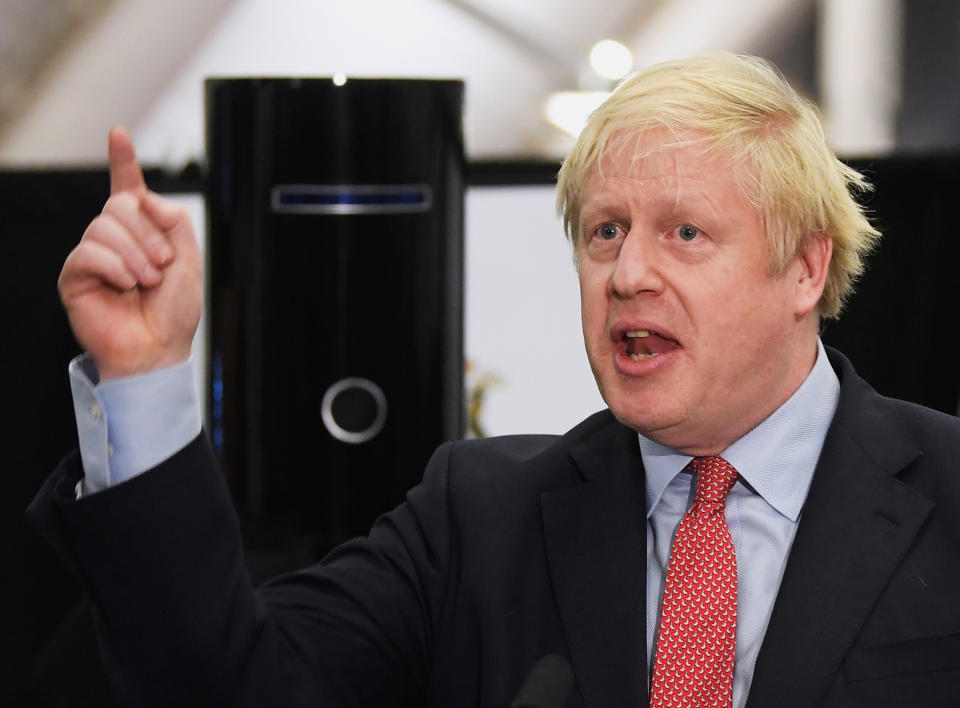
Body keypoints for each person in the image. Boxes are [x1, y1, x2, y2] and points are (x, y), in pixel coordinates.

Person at [30, 53, 960, 707]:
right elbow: (225, 687)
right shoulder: (478, 518)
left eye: (685, 232)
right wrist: (142, 378)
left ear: (804, 269)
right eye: (605, 232)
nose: (629, 273)